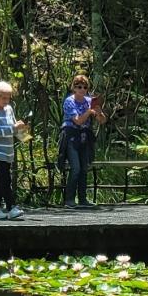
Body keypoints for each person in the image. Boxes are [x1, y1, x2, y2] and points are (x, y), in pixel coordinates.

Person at [58, 74, 107, 209]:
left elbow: (102, 121)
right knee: (76, 168)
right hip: (71, 137)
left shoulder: (89, 100)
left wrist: (98, 112)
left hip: (84, 139)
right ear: (74, 88)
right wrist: (89, 112)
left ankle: (83, 199)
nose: (82, 89)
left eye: (85, 87)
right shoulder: (69, 101)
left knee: (84, 169)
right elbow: (78, 120)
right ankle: (69, 199)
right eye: (79, 86)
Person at [0, 81, 27, 220]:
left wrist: (24, 133)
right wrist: (14, 128)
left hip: (7, 151)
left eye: (8, 97)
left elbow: (14, 129)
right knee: (5, 179)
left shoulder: (9, 109)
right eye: (3, 97)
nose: (6, 100)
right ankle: (11, 207)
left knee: (2, 179)